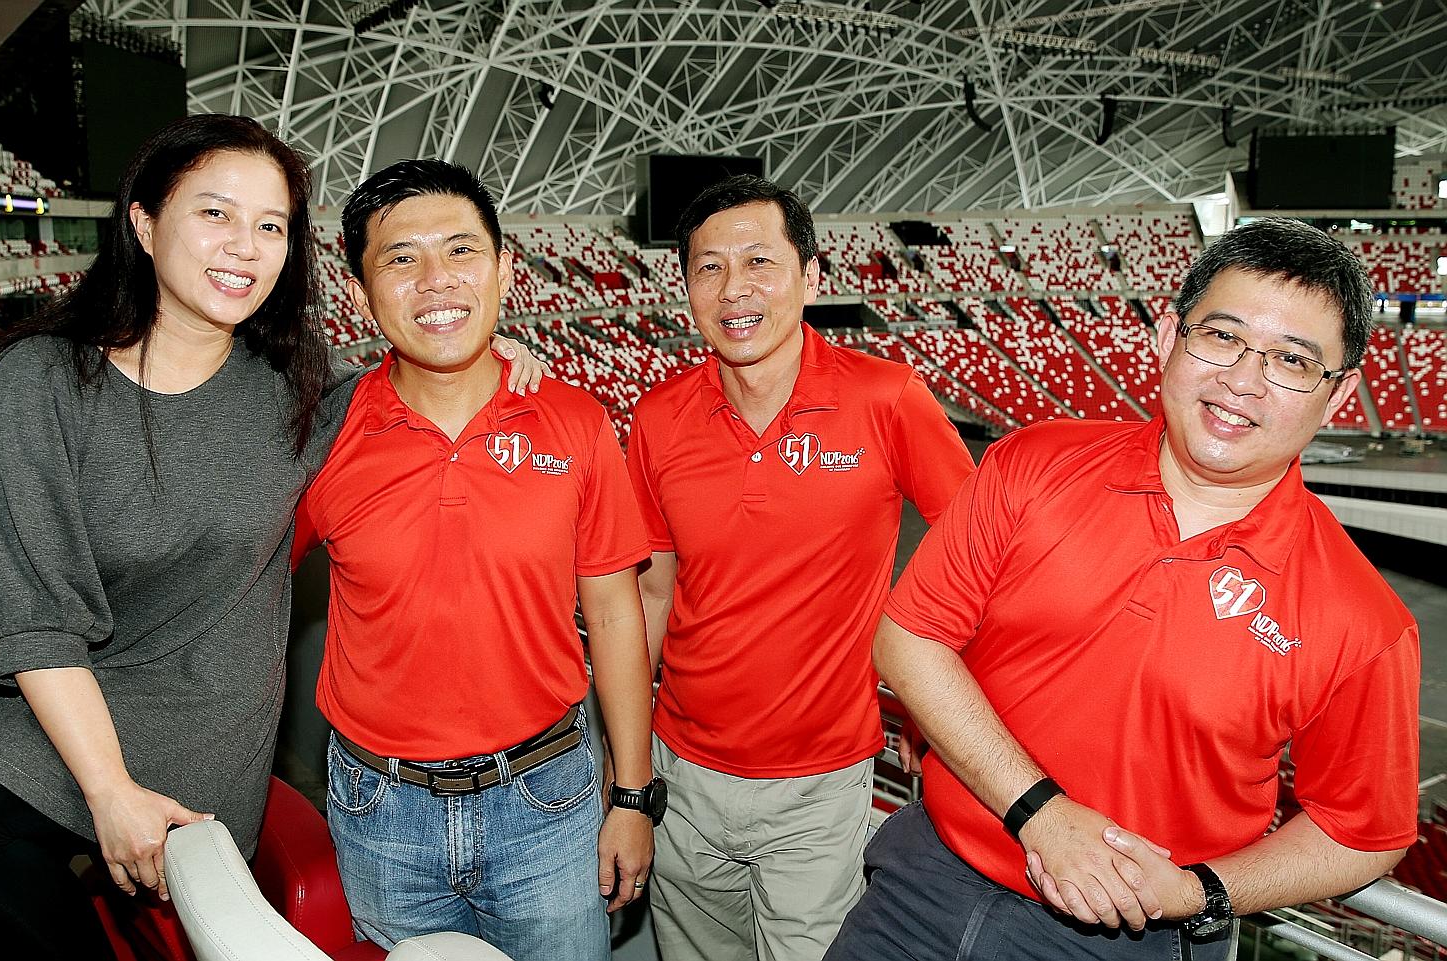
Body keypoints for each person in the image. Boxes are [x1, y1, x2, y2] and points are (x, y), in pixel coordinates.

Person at [0, 115, 544, 959]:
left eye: (271, 226)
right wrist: (109, 791)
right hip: (55, 698)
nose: (245, 246)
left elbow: (411, 381)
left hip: (202, 719)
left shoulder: (294, 385)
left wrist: (491, 344)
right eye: (215, 213)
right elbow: (36, 619)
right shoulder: (38, 382)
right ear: (142, 222)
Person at [825, 218, 1420, 961]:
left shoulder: (1365, 622)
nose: (1243, 379)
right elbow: (910, 636)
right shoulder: (1030, 463)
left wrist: (1198, 889)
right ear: (1167, 337)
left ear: (1339, 396)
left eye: (1292, 360)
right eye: (1223, 336)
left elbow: (1361, 834)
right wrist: (1041, 813)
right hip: (923, 883)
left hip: (1135, 938)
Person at [292, 158, 658, 961]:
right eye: (401, 258)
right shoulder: (322, 434)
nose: (436, 281)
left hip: (549, 799)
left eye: (461, 251)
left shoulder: (573, 421)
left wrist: (633, 793)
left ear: (503, 269)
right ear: (360, 293)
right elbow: (233, 584)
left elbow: (614, 614)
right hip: (379, 806)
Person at [626, 175, 974, 961]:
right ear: (686, 287)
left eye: (759, 261)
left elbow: (977, 554)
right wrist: (627, 760)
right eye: (709, 267)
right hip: (681, 777)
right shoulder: (657, 418)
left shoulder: (888, 398)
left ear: (811, 277)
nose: (734, 288)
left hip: (820, 784)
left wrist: (935, 710)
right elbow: (652, 590)